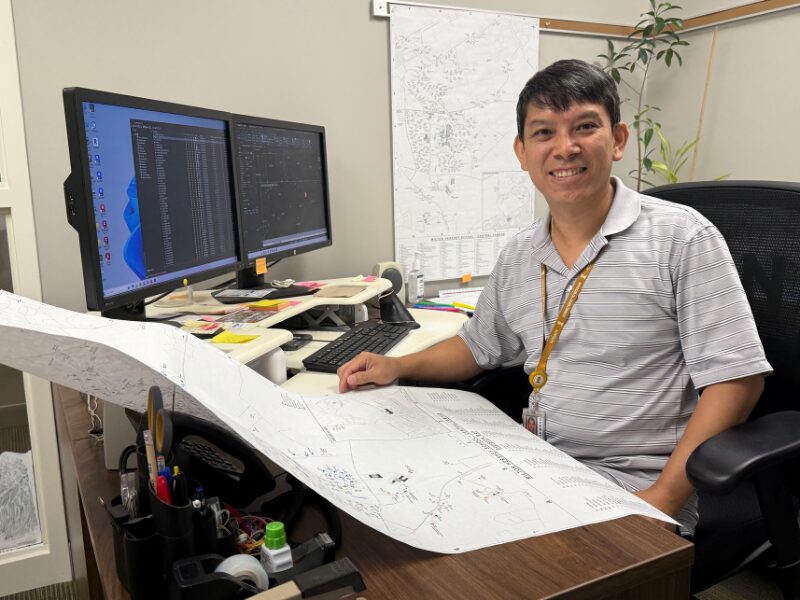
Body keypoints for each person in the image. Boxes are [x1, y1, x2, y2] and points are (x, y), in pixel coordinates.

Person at [338, 59, 771, 534]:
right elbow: (477, 347)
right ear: (522, 152)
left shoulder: (681, 237)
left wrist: (660, 500)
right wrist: (398, 367)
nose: (565, 148)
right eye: (544, 133)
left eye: (585, 127)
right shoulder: (521, 252)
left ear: (619, 139)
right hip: (539, 465)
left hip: (640, 483)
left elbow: (738, 380)